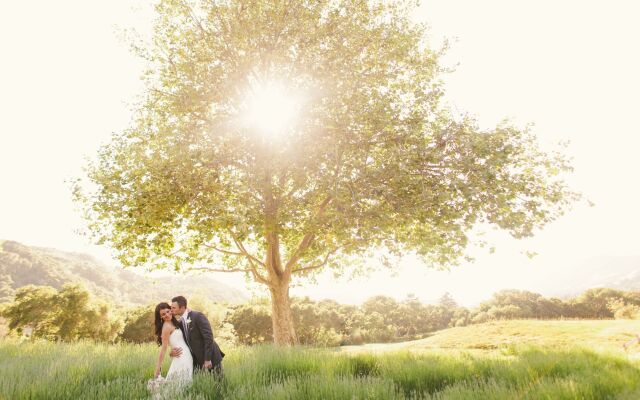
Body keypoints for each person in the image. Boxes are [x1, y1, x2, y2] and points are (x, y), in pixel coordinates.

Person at [170, 295, 225, 375]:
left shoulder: (197, 316)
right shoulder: (180, 323)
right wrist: (171, 353)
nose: (171, 310)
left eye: (173, 308)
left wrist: (207, 359)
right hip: (195, 360)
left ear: (182, 308)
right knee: (199, 384)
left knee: (220, 383)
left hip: (210, 356)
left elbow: (208, 337)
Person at [152, 302, 193, 389]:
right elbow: (163, 349)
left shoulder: (175, 322)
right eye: (163, 314)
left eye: (168, 311)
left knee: (182, 384)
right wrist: (158, 368)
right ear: (160, 317)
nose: (167, 315)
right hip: (180, 357)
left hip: (186, 356)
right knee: (176, 386)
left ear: (170, 309)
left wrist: (188, 311)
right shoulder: (166, 327)